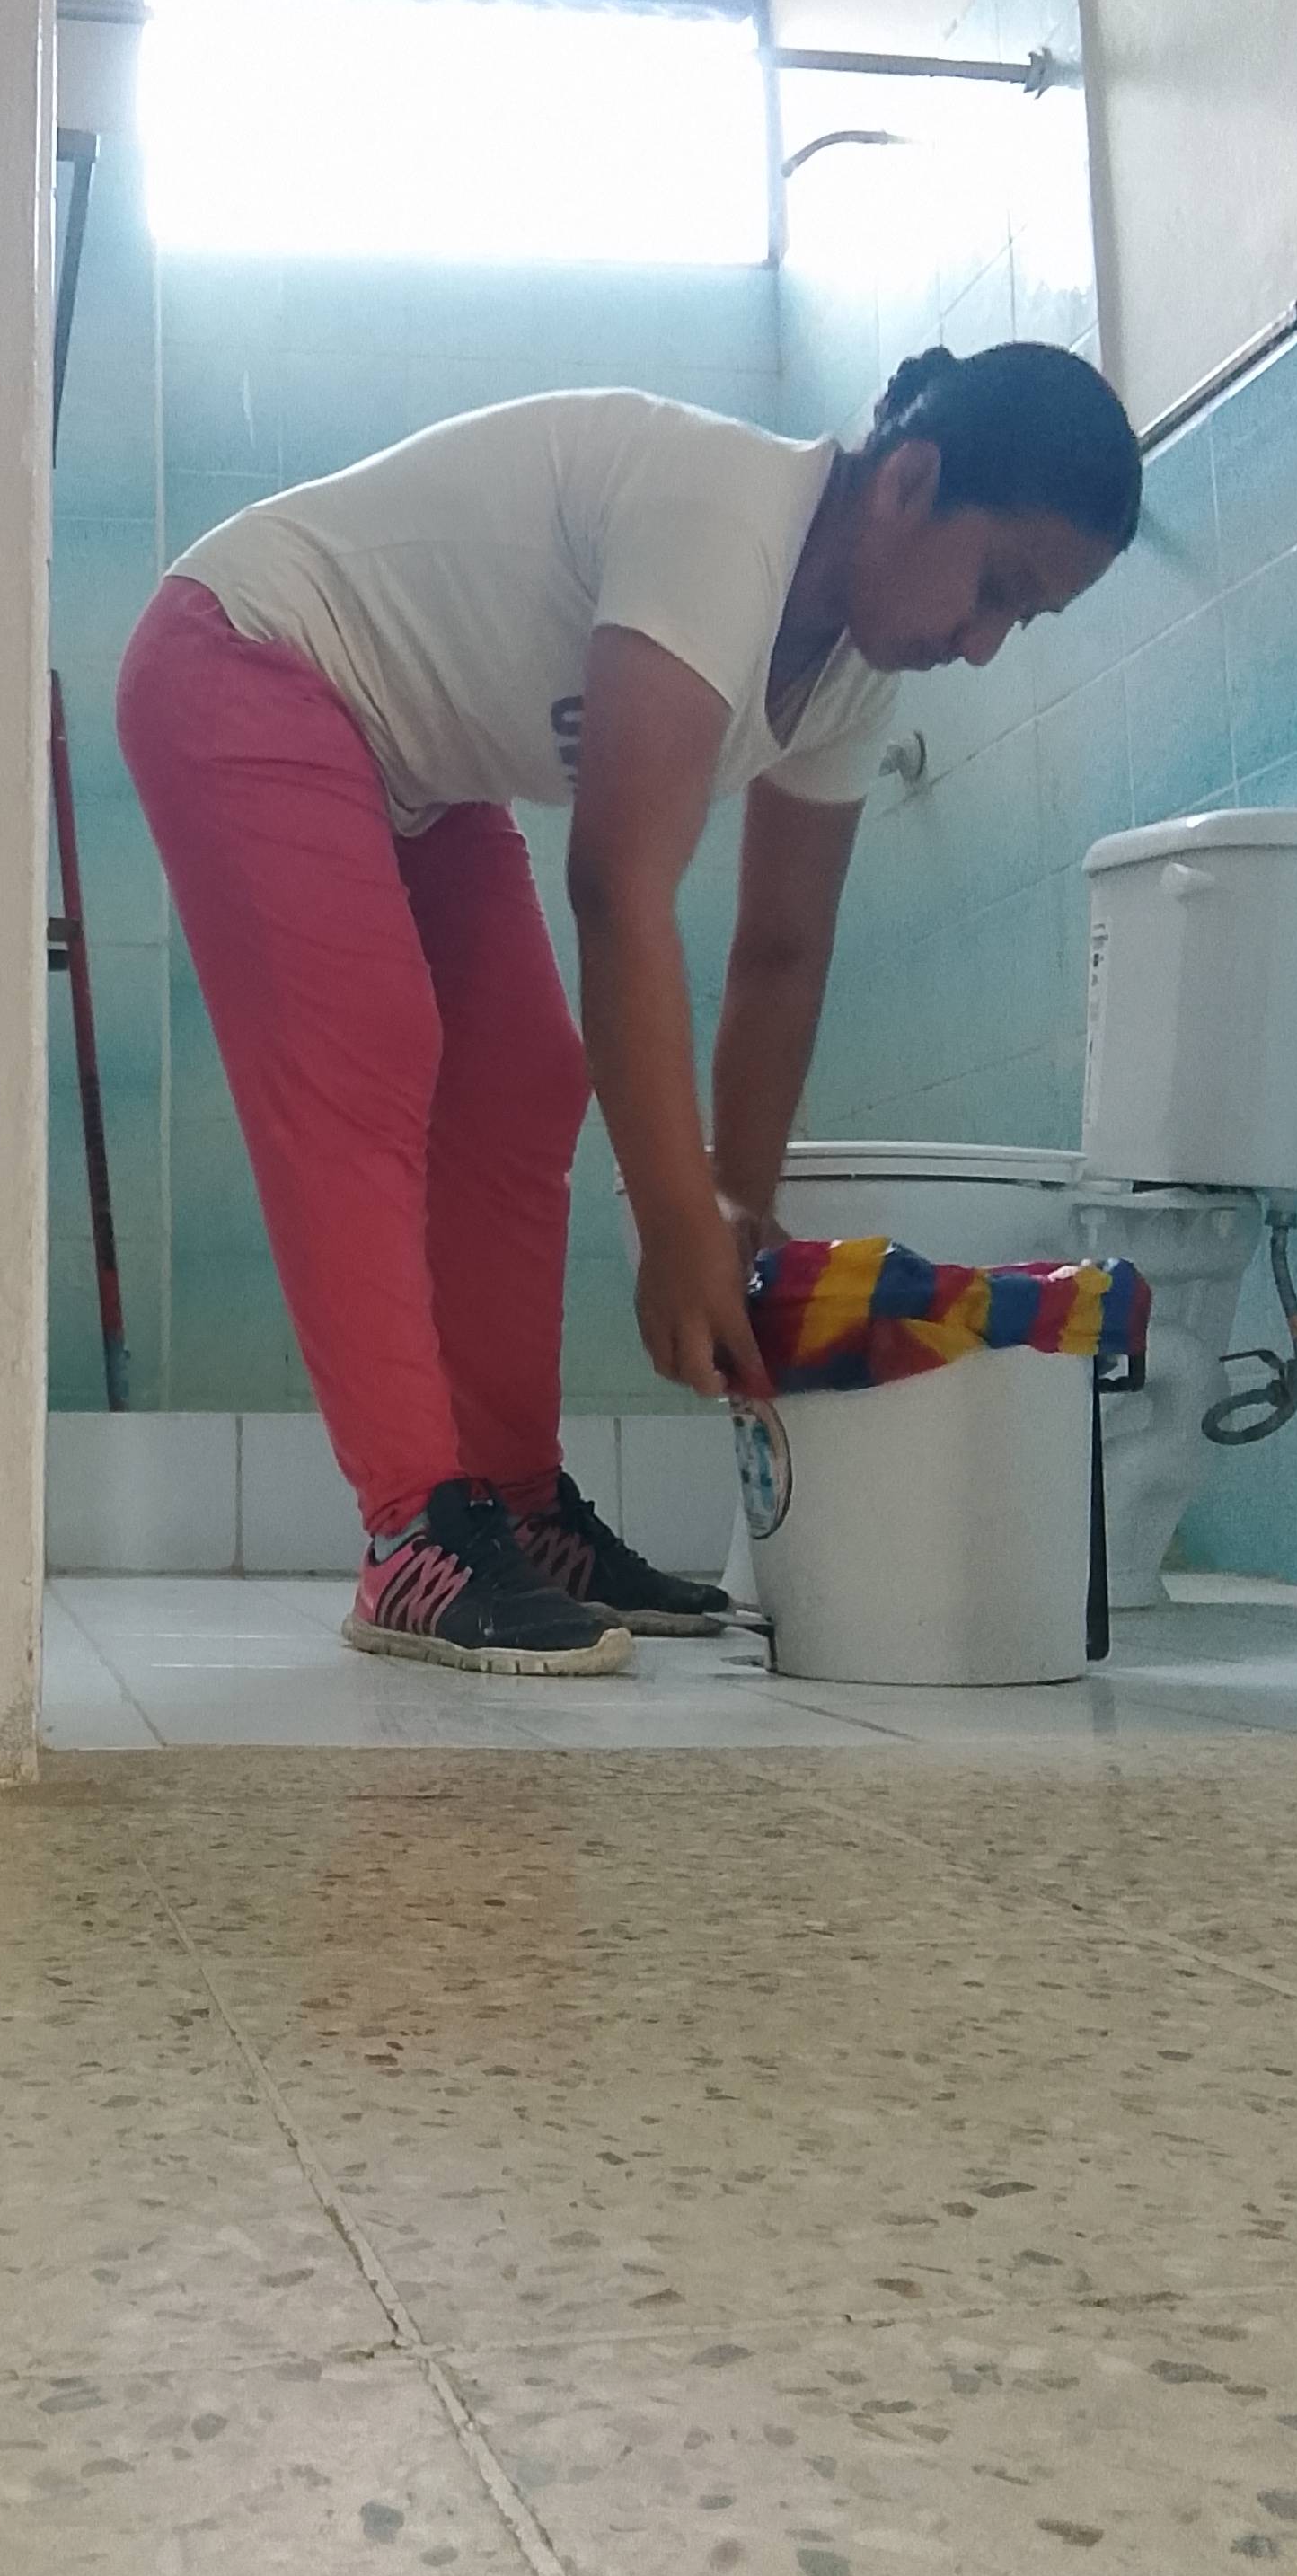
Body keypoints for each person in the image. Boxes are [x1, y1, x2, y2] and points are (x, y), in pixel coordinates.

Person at [115, 343, 1143, 1675]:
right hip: (244, 653)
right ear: (910, 480)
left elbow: (781, 952)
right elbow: (615, 885)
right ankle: (413, 1531)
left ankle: (517, 1508)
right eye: (994, 586)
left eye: (1025, 620)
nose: (985, 642)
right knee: (368, 1052)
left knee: (522, 1080)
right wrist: (671, 1223)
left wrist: (736, 1213)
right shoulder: (728, 521)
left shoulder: (851, 675)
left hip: (411, 755)